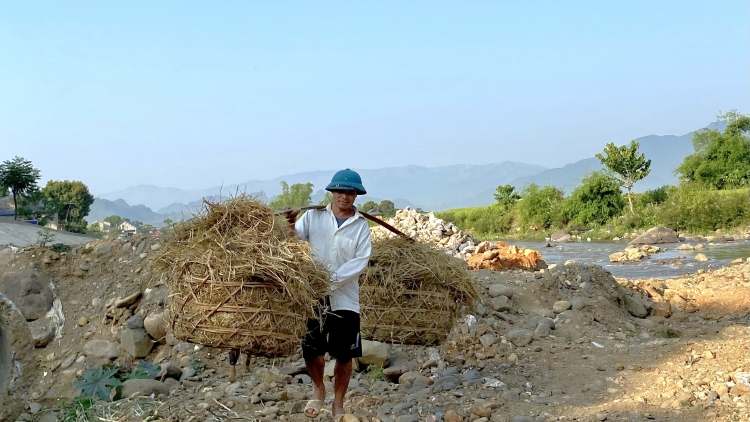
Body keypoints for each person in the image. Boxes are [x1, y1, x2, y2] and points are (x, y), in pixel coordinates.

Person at [284, 168, 372, 421]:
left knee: (345, 354)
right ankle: (319, 388)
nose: (344, 196)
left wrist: (329, 281)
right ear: (332, 192)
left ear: (356, 195)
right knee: (312, 348)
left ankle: (339, 403)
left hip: (345, 297)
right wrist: (290, 223)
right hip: (312, 295)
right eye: (340, 191)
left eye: (350, 192)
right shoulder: (313, 217)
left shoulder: (360, 226)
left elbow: (360, 261)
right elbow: (294, 241)